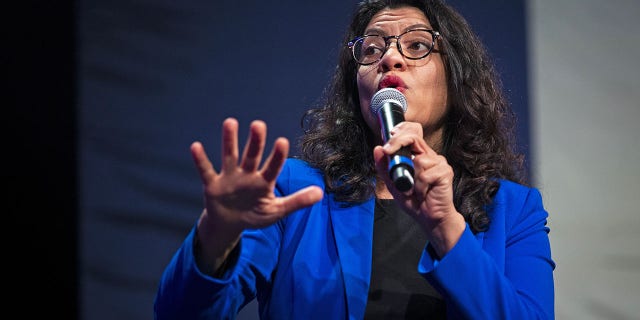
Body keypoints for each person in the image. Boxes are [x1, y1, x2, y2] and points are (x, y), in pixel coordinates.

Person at [154, 0, 555, 319]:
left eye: (417, 45)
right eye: (373, 49)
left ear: (457, 77)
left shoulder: (514, 211)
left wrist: (447, 229)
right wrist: (214, 239)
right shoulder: (297, 193)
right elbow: (180, 314)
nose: (390, 60)